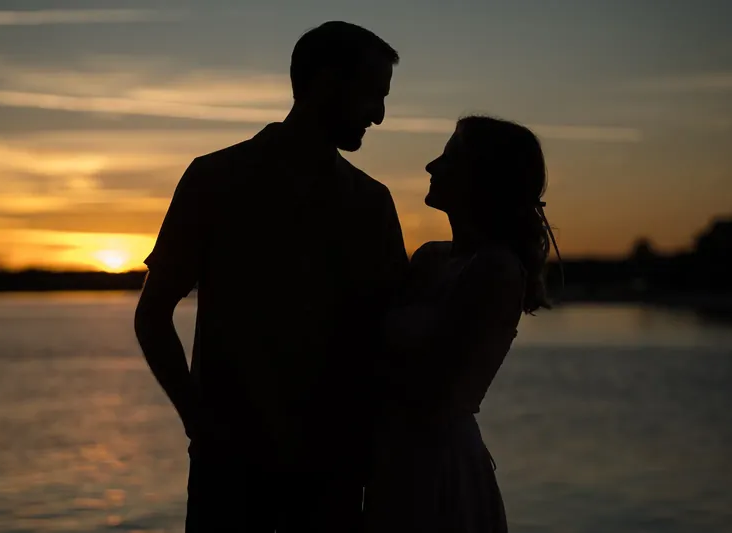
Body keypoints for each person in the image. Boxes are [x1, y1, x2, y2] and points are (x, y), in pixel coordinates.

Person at [134, 21, 409, 533]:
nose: (380, 114)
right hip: (231, 475)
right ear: (327, 82)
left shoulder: (373, 202)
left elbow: (388, 337)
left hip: (336, 474)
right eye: (372, 94)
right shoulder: (214, 179)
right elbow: (153, 315)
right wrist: (199, 424)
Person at [363, 115, 560, 533]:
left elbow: (430, 384)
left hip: (437, 465)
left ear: (483, 178)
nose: (431, 166)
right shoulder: (430, 258)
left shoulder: (497, 270)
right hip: (391, 457)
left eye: (449, 158)